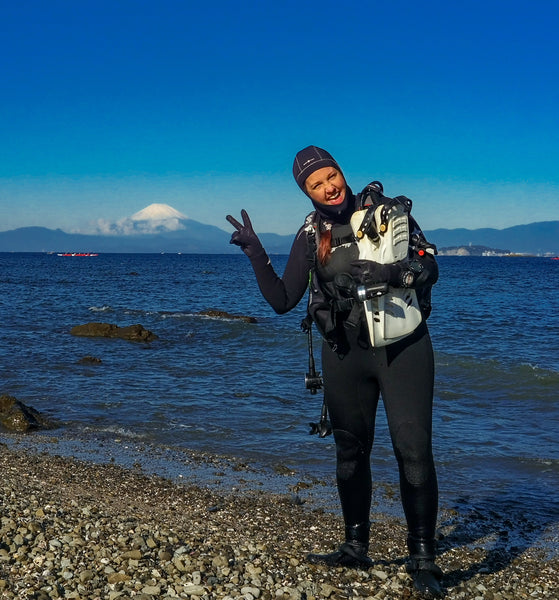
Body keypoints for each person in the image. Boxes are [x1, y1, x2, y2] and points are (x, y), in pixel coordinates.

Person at [226, 146, 443, 598]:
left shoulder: (386, 212)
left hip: (403, 348)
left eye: (331, 175)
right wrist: (254, 251)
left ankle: (422, 556)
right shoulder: (311, 234)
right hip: (344, 352)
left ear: (341, 172)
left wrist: (390, 272)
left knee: (413, 450)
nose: (328, 187)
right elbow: (282, 300)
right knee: (350, 452)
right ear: (306, 193)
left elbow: (430, 266)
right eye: (315, 184)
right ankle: (355, 546)